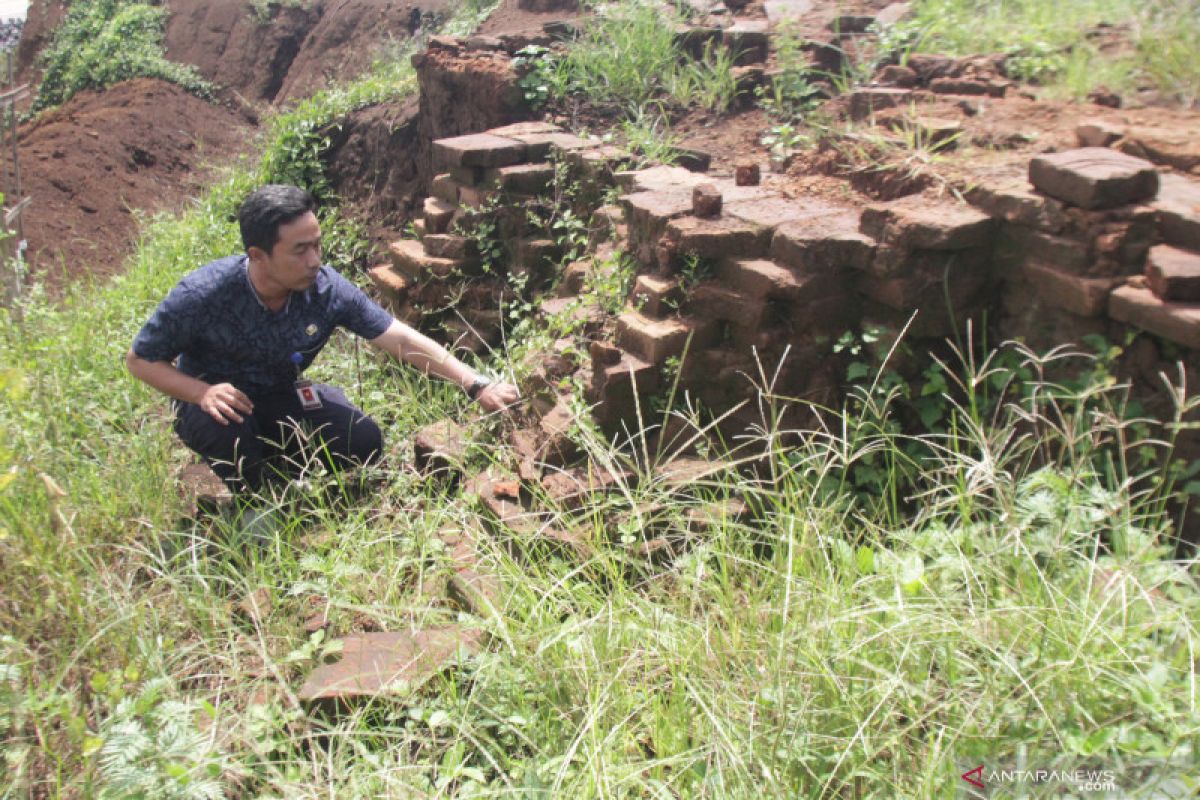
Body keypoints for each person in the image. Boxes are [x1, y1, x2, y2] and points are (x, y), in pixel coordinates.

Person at [126, 184, 518, 498]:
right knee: (229, 435)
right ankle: (251, 501)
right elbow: (140, 360)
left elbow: (397, 338)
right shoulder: (204, 294)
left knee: (363, 441)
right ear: (258, 255)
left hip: (278, 395)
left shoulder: (326, 290)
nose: (315, 259)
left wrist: (475, 383)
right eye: (300, 250)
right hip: (216, 407)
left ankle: (273, 463)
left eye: (317, 244)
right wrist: (200, 392)